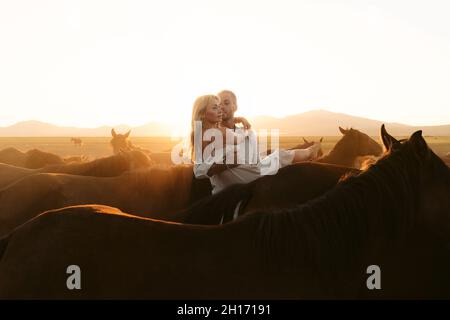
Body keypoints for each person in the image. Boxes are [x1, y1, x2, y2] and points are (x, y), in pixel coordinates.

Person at [191, 94, 321, 194]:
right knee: (280, 156)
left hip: (228, 179)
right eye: (215, 107)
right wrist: (224, 164)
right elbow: (198, 171)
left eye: (220, 106)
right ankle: (310, 151)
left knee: (267, 155)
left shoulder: (206, 132)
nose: (220, 110)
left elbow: (200, 170)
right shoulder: (212, 133)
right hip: (237, 177)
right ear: (203, 113)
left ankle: (310, 151)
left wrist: (239, 120)